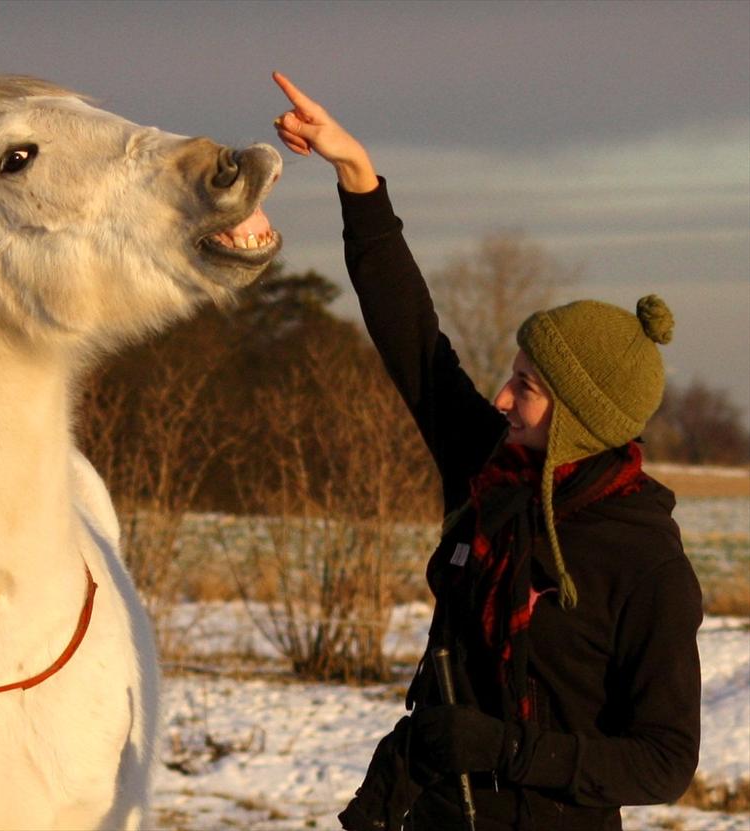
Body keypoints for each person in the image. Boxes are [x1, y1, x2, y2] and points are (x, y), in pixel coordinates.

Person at [271, 72, 703, 831]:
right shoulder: (490, 474)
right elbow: (415, 343)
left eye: (526, 385)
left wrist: (505, 749)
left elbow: (664, 759)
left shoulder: (644, 558)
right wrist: (358, 176)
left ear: (579, 416)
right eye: (512, 375)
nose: (502, 398)